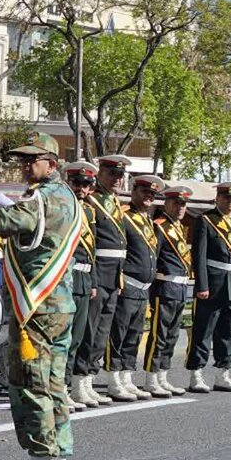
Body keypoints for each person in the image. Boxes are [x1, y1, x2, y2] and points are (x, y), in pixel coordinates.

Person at [0, 132, 84, 460]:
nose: (25, 166)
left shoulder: (40, 198)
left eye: (33, 159)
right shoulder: (67, 196)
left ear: (52, 162)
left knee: (32, 385)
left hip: (37, 307)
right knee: (55, 386)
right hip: (59, 305)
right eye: (23, 160)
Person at [106, 174, 163, 401]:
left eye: (152, 194)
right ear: (134, 192)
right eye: (144, 192)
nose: (148, 197)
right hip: (127, 284)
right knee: (118, 333)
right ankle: (113, 379)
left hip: (143, 288)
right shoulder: (124, 215)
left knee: (134, 335)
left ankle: (127, 377)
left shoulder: (147, 219)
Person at [188, 182, 231, 392]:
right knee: (204, 329)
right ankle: (196, 373)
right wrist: (202, 285)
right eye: (226, 197)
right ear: (218, 198)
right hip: (213, 283)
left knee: (228, 331)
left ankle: (223, 373)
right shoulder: (206, 220)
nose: (229, 201)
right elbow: (199, 255)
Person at [82, 155, 130, 405]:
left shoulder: (114, 202)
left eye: (120, 176)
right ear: (100, 174)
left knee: (102, 332)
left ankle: (89, 379)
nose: (116, 180)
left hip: (114, 275)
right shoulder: (92, 201)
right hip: (99, 271)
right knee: (89, 330)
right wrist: (93, 278)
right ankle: (79, 380)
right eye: (112, 174)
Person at [147, 185, 193, 397]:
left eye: (183, 204)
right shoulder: (160, 226)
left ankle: (163, 375)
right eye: (176, 203)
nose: (180, 207)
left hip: (180, 288)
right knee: (160, 334)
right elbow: (154, 258)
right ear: (166, 204)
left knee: (172, 335)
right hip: (164, 286)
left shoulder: (178, 227)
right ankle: (151, 377)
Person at [65, 161, 102, 409]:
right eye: (77, 183)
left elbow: (93, 250)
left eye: (87, 184)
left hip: (85, 279)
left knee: (78, 338)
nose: (82, 188)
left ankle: (72, 387)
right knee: (64, 339)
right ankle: (61, 388)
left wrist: (94, 281)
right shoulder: (63, 207)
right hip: (67, 278)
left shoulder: (90, 211)